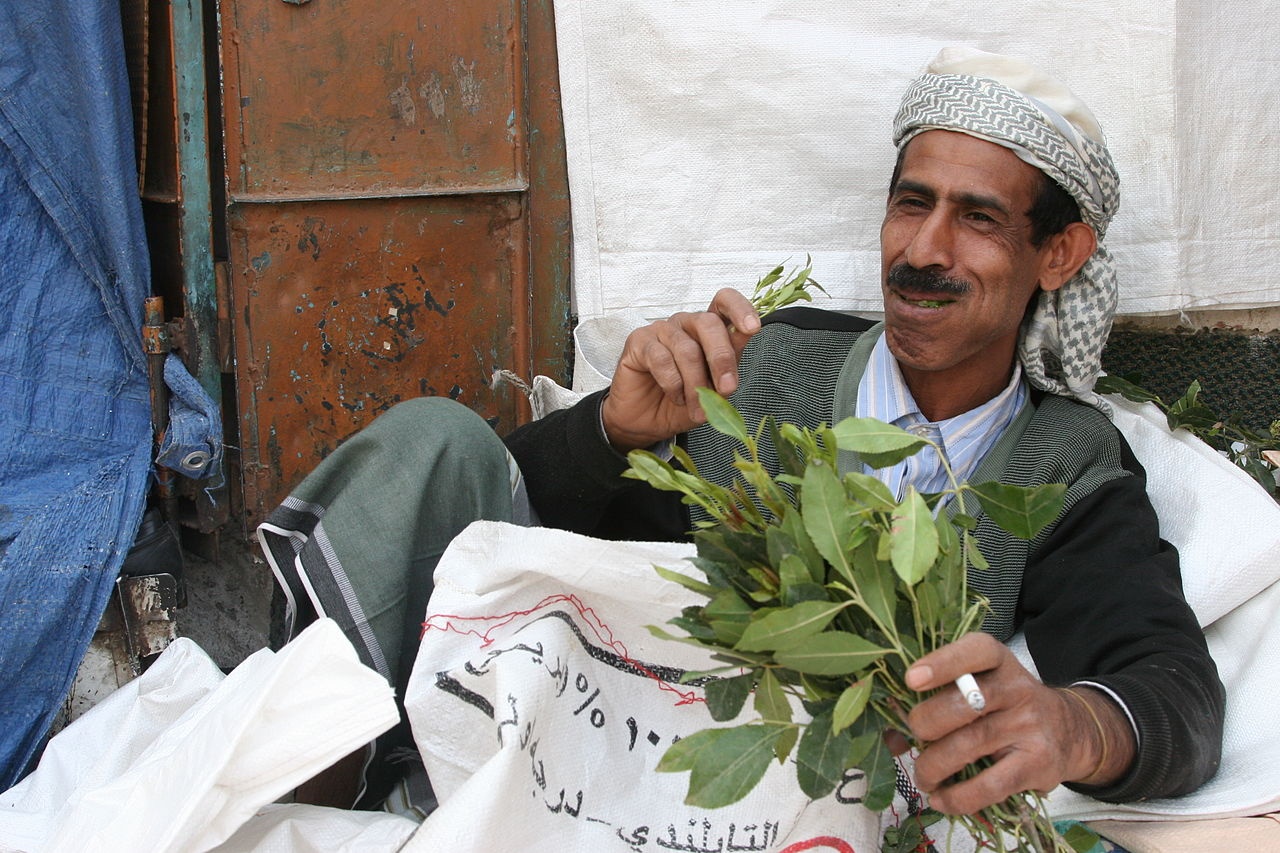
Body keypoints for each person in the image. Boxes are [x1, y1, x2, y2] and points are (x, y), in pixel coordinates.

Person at [260, 47, 1223, 816]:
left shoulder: (1063, 461)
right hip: (605, 732)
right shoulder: (770, 362)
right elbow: (502, 539)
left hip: (785, 803)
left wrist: (1070, 723)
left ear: (1058, 252)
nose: (923, 251)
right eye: (911, 203)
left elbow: (1171, 690)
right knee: (433, 437)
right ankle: (312, 803)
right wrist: (609, 433)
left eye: (978, 219)